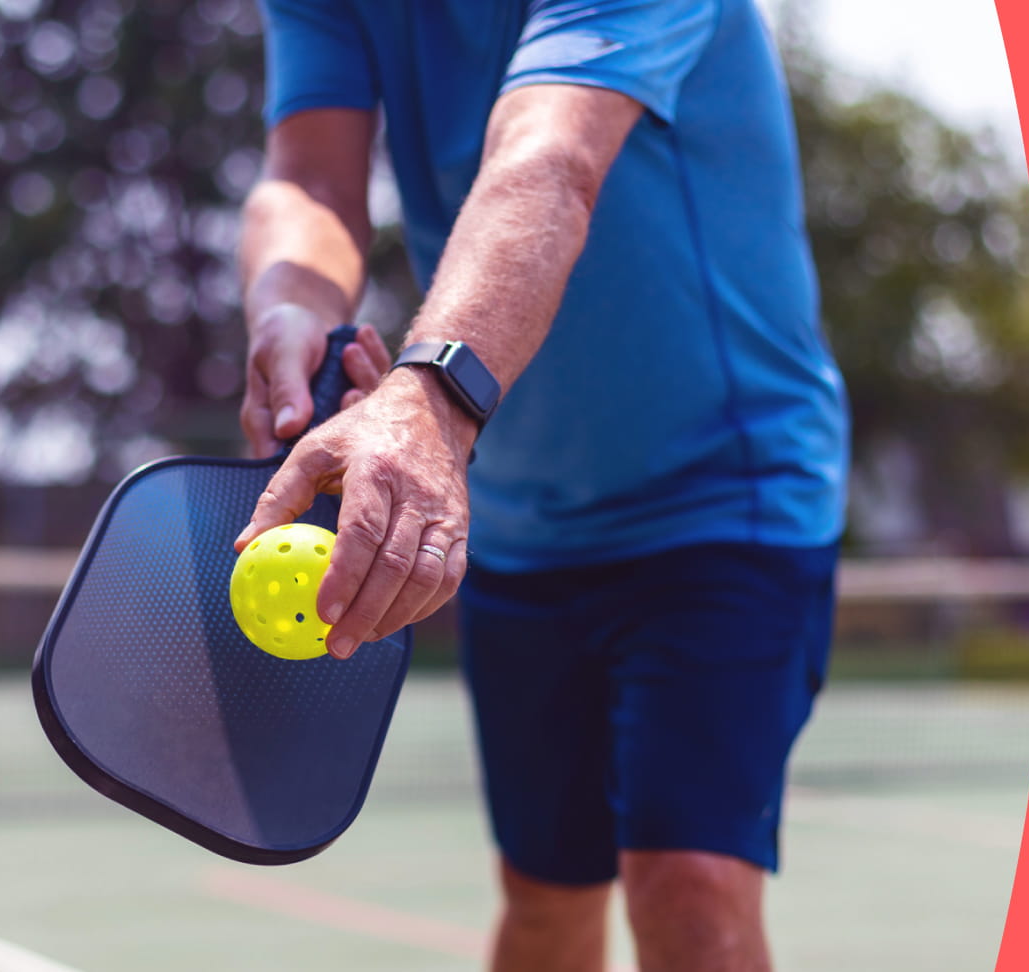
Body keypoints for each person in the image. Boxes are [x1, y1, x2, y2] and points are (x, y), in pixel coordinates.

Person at [233, 2, 849, 969]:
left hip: (726, 493)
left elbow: (546, 158)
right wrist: (290, 306)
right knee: (544, 890)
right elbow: (310, 176)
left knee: (688, 883)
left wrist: (431, 397)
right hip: (522, 518)